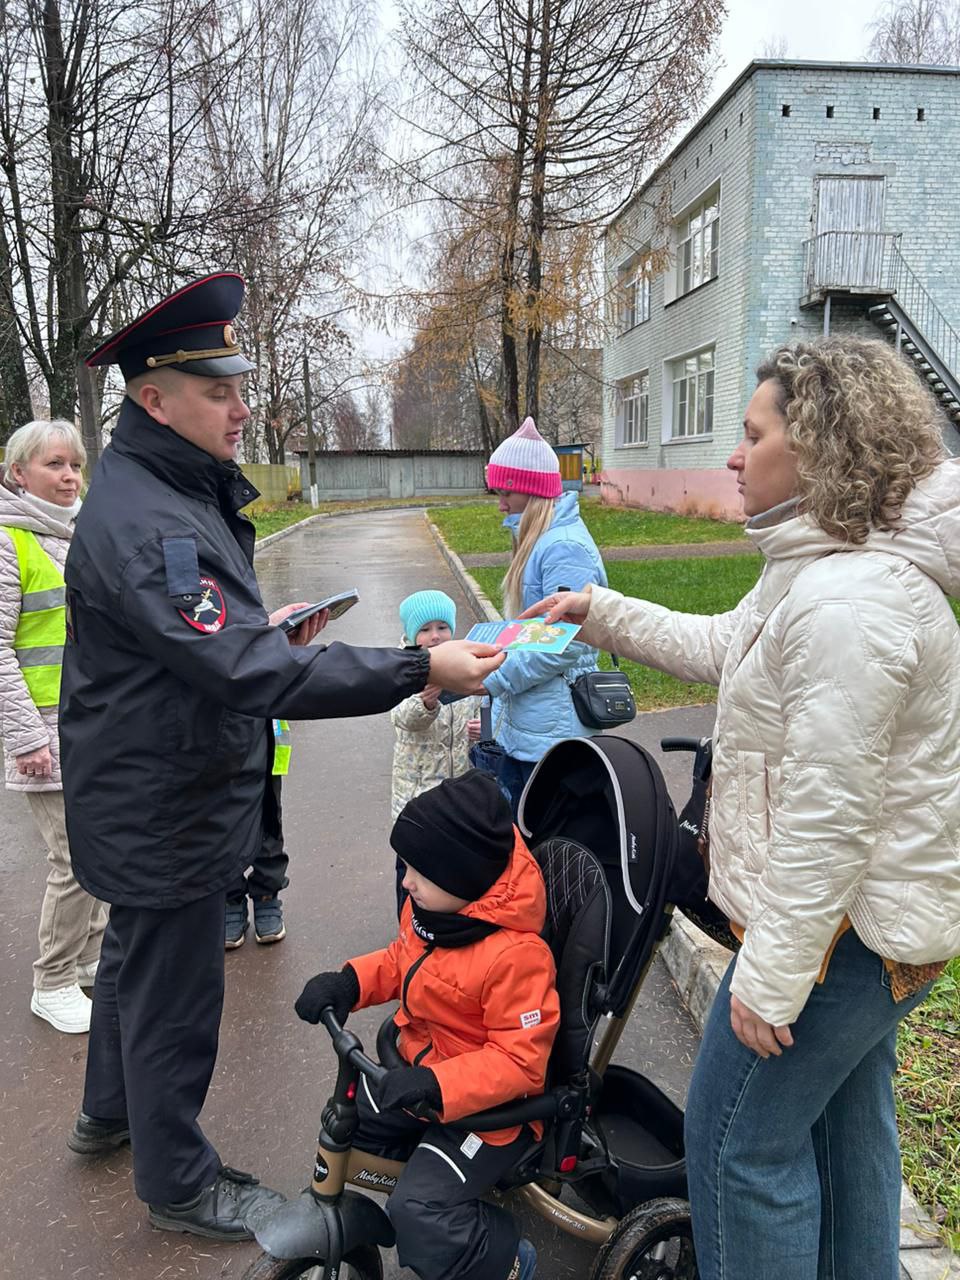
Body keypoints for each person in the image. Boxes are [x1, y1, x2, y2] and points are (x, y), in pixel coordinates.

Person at [58, 273, 505, 1243]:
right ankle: (179, 1179)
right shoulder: (153, 519)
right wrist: (419, 663)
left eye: (236, 383)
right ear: (154, 399)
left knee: (133, 956)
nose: (240, 403)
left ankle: (110, 1111)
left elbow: (208, 641)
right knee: (174, 990)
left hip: (140, 786)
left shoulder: (157, 488)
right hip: (161, 804)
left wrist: (265, 636)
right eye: (217, 388)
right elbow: (241, 665)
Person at [521, 336, 960, 1280]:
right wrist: (599, 610)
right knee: (849, 1141)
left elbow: (831, 817)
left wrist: (770, 979)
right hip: (866, 930)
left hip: (841, 935)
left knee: (738, 1151)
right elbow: (731, 646)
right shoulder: (818, 571)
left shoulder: (852, 602)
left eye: (752, 434)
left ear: (816, 448)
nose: (731, 454)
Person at [295, 769, 559, 1280]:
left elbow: (520, 1062)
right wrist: (349, 983)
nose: (405, 881)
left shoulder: (516, 958)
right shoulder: (435, 913)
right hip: (421, 1065)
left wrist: (439, 1085)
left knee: (418, 1214)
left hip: (491, 1113)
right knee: (348, 1120)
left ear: (461, 879)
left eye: (418, 872)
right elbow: (402, 960)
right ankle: (427, 1174)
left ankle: (505, 1258)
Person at [0, 420, 108, 1034]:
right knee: (73, 858)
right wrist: (26, 739)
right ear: (19, 473)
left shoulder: (72, 536)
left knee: (96, 849)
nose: (69, 477)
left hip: (88, 726)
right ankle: (53, 979)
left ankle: (89, 957)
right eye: (54, 465)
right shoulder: (9, 542)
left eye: (75, 466)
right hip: (44, 733)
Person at [482, 416, 607, 816]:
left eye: (506, 492)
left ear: (531, 492)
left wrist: (489, 677)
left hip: (552, 735)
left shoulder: (563, 549)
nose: (500, 503)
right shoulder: (541, 541)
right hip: (534, 723)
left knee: (543, 850)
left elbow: (563, 643)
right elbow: (527, 631)